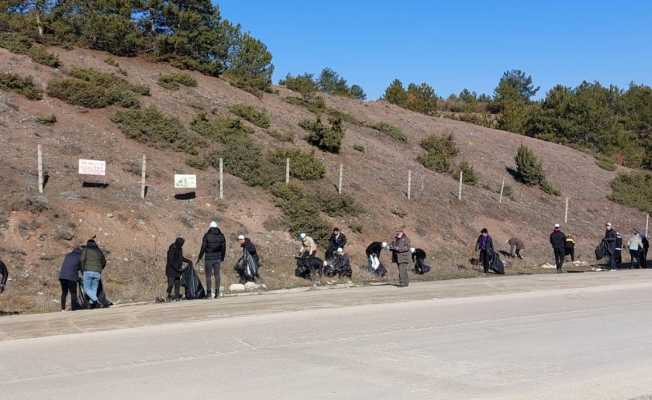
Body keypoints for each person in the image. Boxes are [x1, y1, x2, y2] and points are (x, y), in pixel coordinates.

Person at [197, 221, 226, 299]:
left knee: (208, 276)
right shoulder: (221, 236)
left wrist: (200, 257)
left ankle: (209, 294)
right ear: (217, 227)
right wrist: (222, 257)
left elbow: (203, 247)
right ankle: (217, 293)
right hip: (217, 258)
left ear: (210, 227)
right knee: (217, 275)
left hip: (208, 258)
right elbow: (223, 247)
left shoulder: (207, 236)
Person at [80, 238, 106, 307]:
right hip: (97, 272)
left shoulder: (85, 250)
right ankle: (93, 305)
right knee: (93, 290)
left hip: (88, 271)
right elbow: (103, 261)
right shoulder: (98, 250)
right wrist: (100, 269)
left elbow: (82, 260)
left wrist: (83, 270)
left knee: (87, 289)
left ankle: (96, 301)